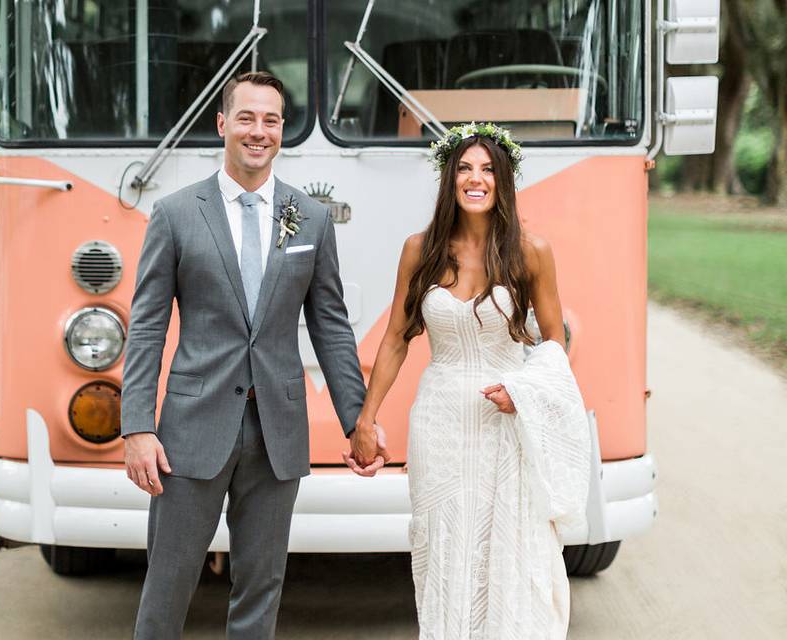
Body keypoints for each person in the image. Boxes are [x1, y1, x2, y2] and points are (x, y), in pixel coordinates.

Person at [121, 71, 388, 640]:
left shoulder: (308, 217)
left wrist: (357, 421)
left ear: (282, 131)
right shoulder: (174, 214)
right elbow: (146, 328)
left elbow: (332, 327)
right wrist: (138, 427)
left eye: (270, 120)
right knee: (166, 589)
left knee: (260, 592)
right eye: (246, 117)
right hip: (188, 434)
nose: (258, 131)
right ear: (222, 124)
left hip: (276, 433)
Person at [348, 123, 591, 639]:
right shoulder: (421, 250)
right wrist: (365, 420)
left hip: (505, 423)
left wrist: (524, 394)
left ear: (503, 181)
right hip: (439, 421)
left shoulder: (532, 252)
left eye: (487, 170)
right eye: (464, 168)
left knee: (508, 546)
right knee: (443, 546)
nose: (475, 179)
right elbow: (395, 339)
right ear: (449, 179)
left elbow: (553, 344)